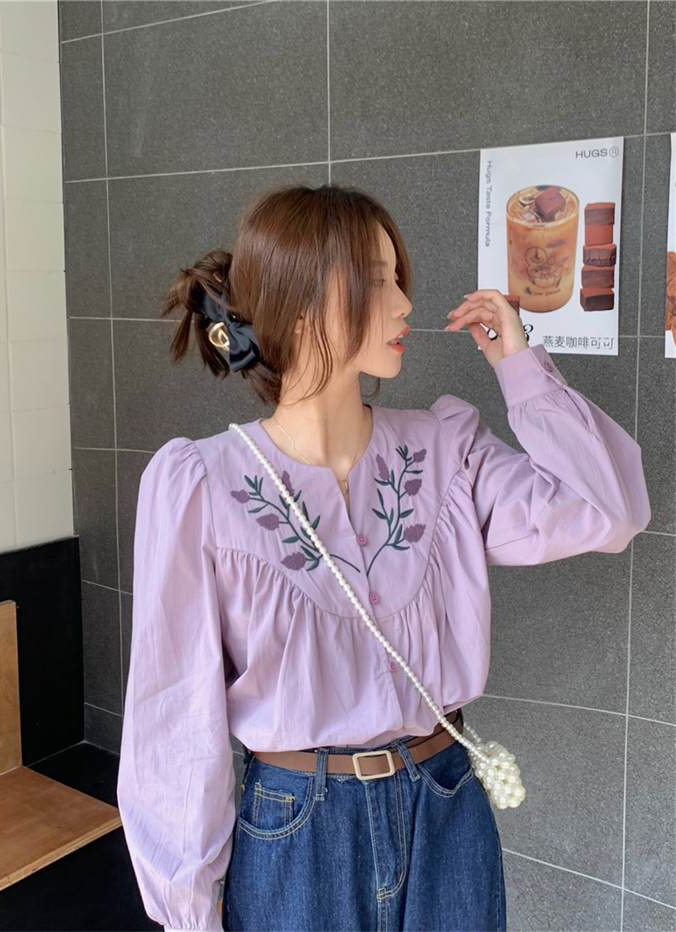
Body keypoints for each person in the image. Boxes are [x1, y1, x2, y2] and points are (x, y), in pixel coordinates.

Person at [116, 183, 651, 932]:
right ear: (299, 304)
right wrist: (188, 911)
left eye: (398, 278)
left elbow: (609, 511)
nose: (403, 304)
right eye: (375, 281)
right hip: (297, 833)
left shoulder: (446, 450)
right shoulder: (200, 486)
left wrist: (520, 366)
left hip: (446, 809)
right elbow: (174, 718)